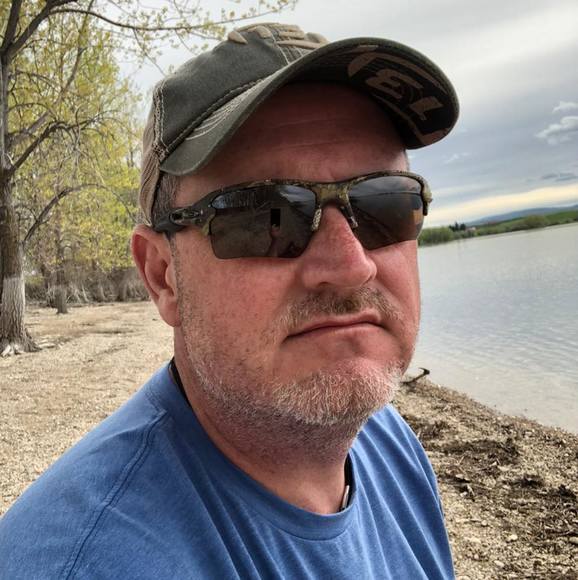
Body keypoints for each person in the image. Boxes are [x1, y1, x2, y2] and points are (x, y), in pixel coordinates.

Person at [0, 23, 459, 579]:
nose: (350, 266)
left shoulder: (387, 443)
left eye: (384, 204)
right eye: (268, 217)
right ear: (163, 276)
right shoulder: (85, 564)